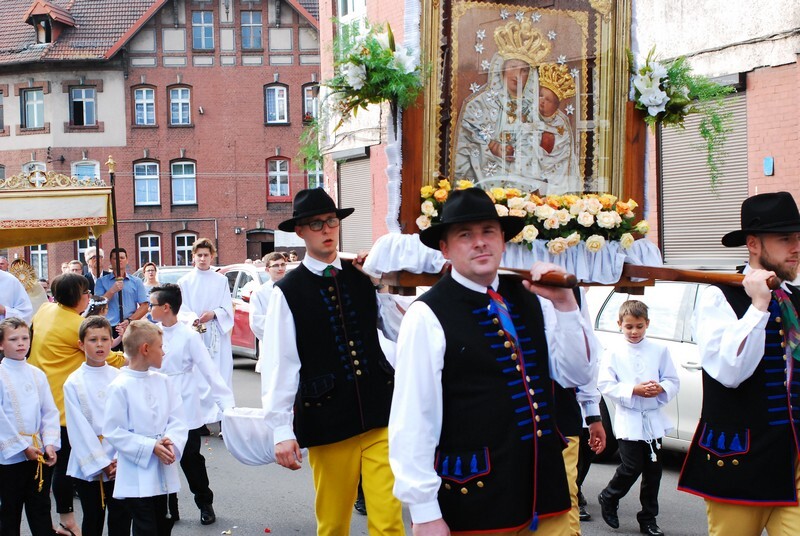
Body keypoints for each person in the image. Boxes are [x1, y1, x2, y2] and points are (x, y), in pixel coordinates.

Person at [389, 187, 599, 534]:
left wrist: (565, 305)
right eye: (465, 235)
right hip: (477, 499)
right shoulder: (427, 314)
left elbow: (576, 374)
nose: (479, 243)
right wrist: (424, 510)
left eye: (488, 231)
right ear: (445, 248)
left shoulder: (534, 296)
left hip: (545, 493)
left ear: (503, 239)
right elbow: (413, 417)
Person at [262, 188, 404, 535]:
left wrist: (380, 284)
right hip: (328, 419)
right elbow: (281, 363)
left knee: (389, 521)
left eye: (331, 221)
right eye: (316, 224)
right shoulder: (288, 291)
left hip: (380, 411)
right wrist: (281, 429)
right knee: (334, 524)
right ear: (300, 231)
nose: (326, 229)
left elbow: (399, 330)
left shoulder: (361, 274)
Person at [678, 191, 800, 535]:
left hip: (793, 459)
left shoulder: (794, 296)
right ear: (753, 244)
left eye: (798, 237)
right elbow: (730, 373)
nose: (796, 247)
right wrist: (758, 307)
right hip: (740, 461)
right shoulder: (719, 296)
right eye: (785, 239)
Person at [29, 273, 126, 536]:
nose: (88, 297)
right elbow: (107, 356)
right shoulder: (76, 324)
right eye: (85, 292)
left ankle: (61, 519)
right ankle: (67, 519)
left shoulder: (45, 310)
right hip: (66, 399)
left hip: (41, 395)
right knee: (65, 464)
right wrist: (133, 359)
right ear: (76, 296)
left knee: (52, 467)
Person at [148, 284, 235, 525]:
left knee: (190, 458)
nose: (149, 309)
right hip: (157, 402)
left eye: (152, 305)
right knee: (162, 456)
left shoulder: (189, 336)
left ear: (166, 307)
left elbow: (209, 371)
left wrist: (227, 405)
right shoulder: (151, 333)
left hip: (185, 402)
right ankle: (170, 507)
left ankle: (205, 502)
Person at [597, 300, 679, 536]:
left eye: (639, 326)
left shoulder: (659, 350)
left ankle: (648, 518)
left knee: (653, 472)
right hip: (629, 417)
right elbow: (605, 384)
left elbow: (672, 380)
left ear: (647, 324)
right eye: (629, 327)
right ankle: (609, 495)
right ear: (619, 324)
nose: (634, 332)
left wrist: (661, 388)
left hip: (652, 420)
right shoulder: (613, 352)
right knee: (632, 466)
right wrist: (633, 390)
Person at [103, 321, 187, 536]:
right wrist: (151, 447)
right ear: (146, 349)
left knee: (164, 523)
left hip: (163, 465)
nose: (164, 352)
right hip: (136, 470)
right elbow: (113, 430)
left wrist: (171, 442)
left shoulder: (164, 381)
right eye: (160, 346)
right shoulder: (120, 386)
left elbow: (178, 419)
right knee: (145, 527)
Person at [453, 19, 547, 192]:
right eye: (513, 67)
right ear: (501, 69)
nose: (517, 75)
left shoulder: (533, 110)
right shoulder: (478, 105)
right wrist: (492, 147)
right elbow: (467, 145)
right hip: (484, 185)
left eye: (524, 70)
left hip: (521, 188)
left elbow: (535, 150)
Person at [63, 316, 132, 536]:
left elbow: (128, 421)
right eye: (93, 340)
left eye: (105, 339)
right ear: (81, 344)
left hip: (119, 458)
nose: (100, 345)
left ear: (112, 341)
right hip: (90, 460)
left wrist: (118, 458)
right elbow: (78, 429)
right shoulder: (73, 382)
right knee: (93, 517)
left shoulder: (120, 377)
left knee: (121, 516)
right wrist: (102, 463)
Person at [0, 317, 60, 536]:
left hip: (38, 452)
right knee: (9, 511)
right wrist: (22, 447)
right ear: (1, 344)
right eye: (13, 339)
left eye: (25, 338)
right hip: (10, 457)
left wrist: (50, 443)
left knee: (40, 509)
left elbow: (49, 411)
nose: (21, 343)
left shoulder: (37, 374)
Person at [177, 238, 235, 422]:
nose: (202, 259)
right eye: (199, 255)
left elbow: (227, 307)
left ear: (212, 256)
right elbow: (181, 309)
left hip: (216, 332)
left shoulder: (221, 280)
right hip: (195, 332)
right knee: (198, 376)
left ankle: (223, 416)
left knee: (220, 373)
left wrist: (214, 313)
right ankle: (199, 418)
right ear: (193, 257)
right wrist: (192, 318)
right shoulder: (185, 281)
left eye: (206, 255)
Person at [537, 63, 580, 195]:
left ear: (556, 106)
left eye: (548, 100)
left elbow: (562, 154)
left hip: (556, 179)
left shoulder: (561, 123)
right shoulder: (529, 115)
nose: (542, 101)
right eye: (541, 95)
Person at [95, 248, 149, 349]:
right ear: (110, 261)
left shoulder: (136, 281)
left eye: (122, 258)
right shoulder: (101, 281)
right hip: (108, 327)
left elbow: (145, 306)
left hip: (129, 326)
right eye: (115, 258)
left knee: (130, 355)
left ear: (127, 260)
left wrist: (130, 320)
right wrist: (112, 290)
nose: (119, 260)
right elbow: (98, 304)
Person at [249, 252, 288, 374]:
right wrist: (281, 324)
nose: (280, 268)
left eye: (283, 264)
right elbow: (256, 321)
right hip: (272, 345)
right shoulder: (259, 292)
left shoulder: (294, 289)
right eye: (276, 265)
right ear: (267, 269)